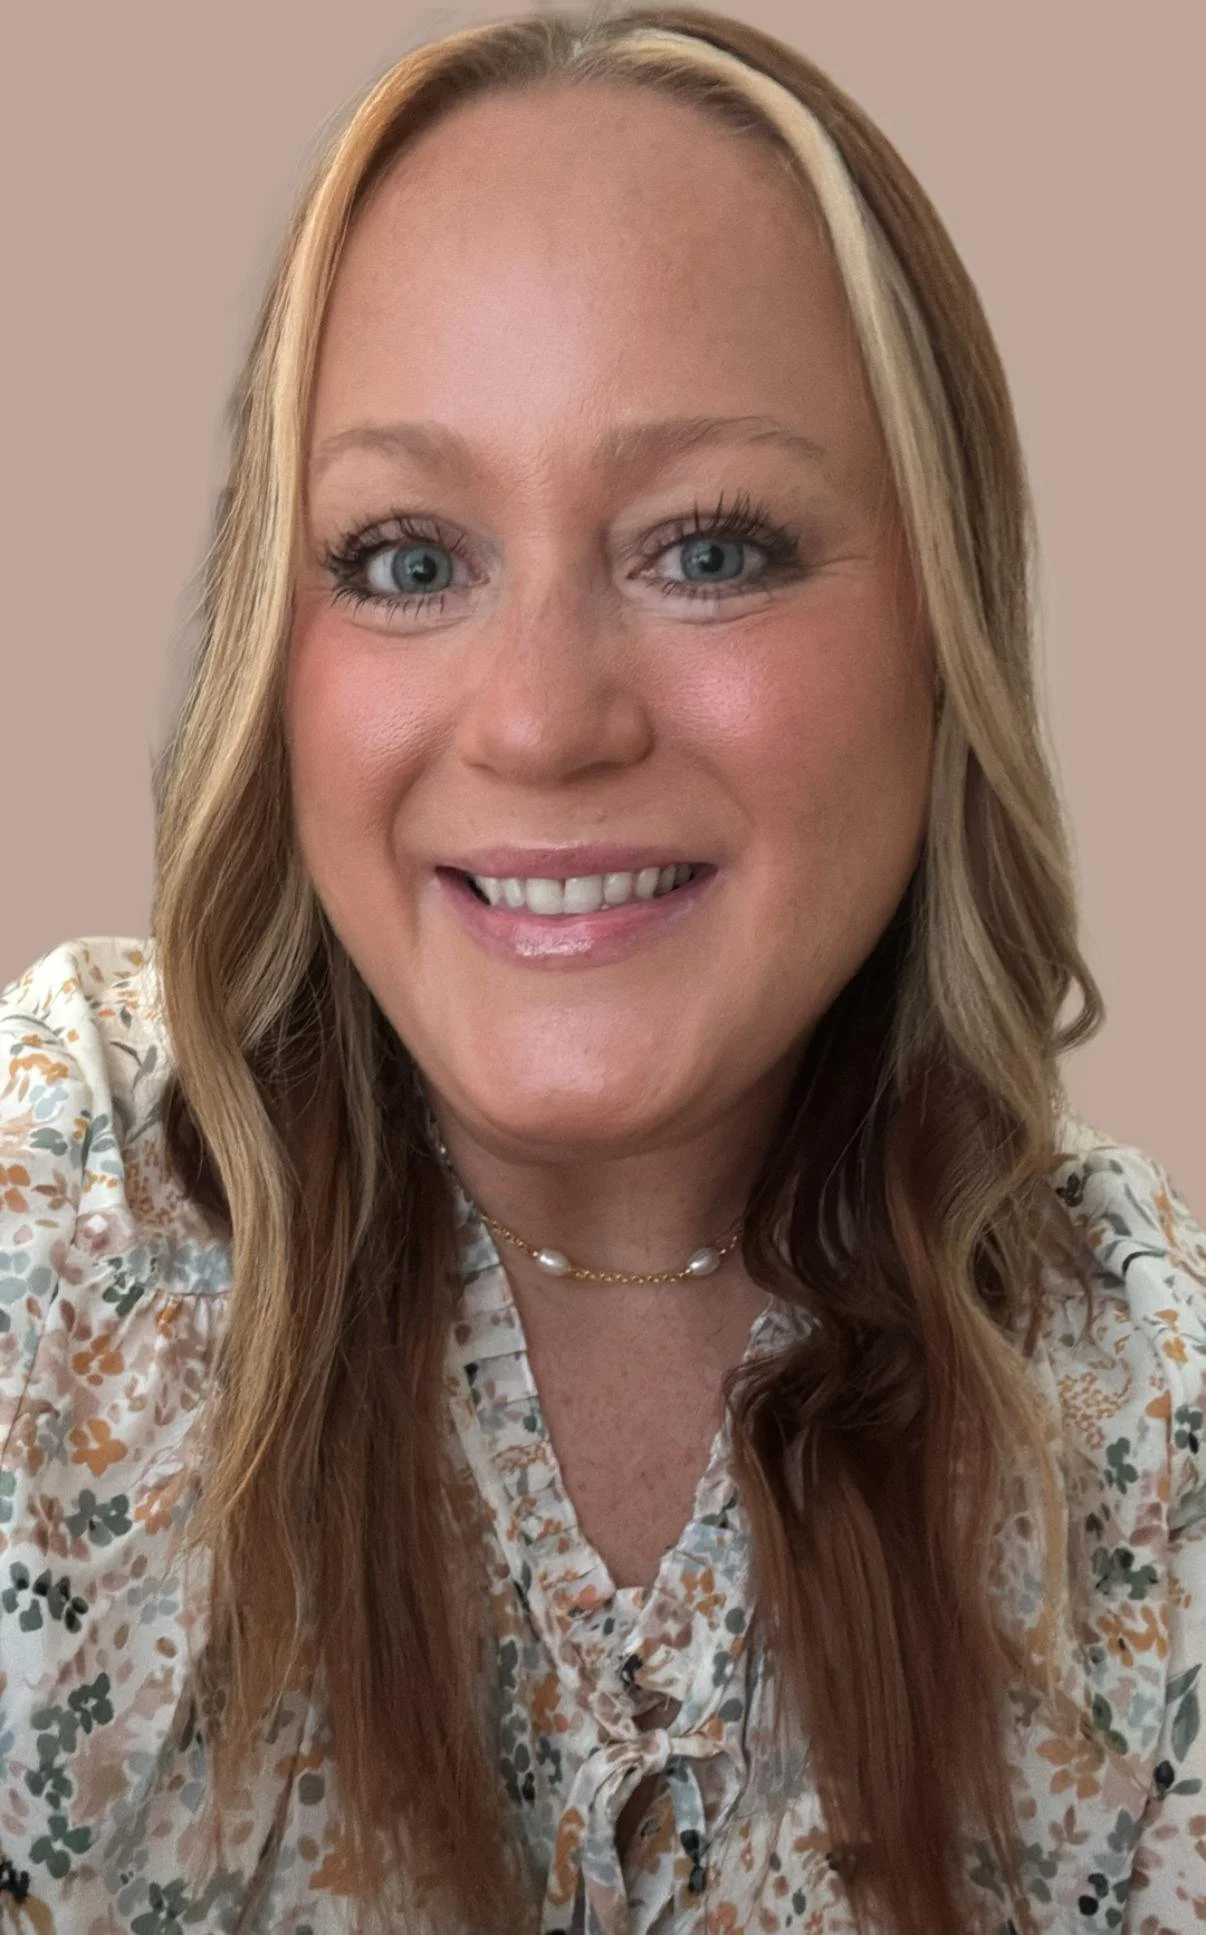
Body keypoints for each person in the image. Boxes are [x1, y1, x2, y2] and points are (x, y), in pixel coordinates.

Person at [0, 4, 1202, 1930]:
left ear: (942, 619)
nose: (544, 722)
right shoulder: (53, 1214)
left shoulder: (1141, 1417)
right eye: (405, 557)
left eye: (709, 547)